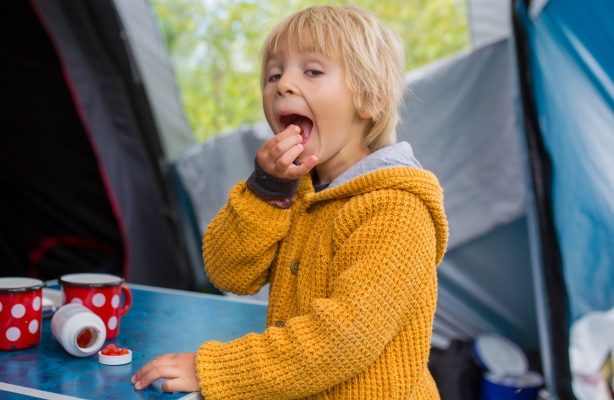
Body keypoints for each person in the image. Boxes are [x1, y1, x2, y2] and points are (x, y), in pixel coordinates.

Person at [132, 5, 449, 399]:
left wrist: (216, 370)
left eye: (312, 71)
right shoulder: (294, 192)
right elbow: (230, 273)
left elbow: (343, 338)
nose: (283, 85)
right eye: (274, 74)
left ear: (372, 98)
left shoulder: (397, 209)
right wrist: (265, 192)